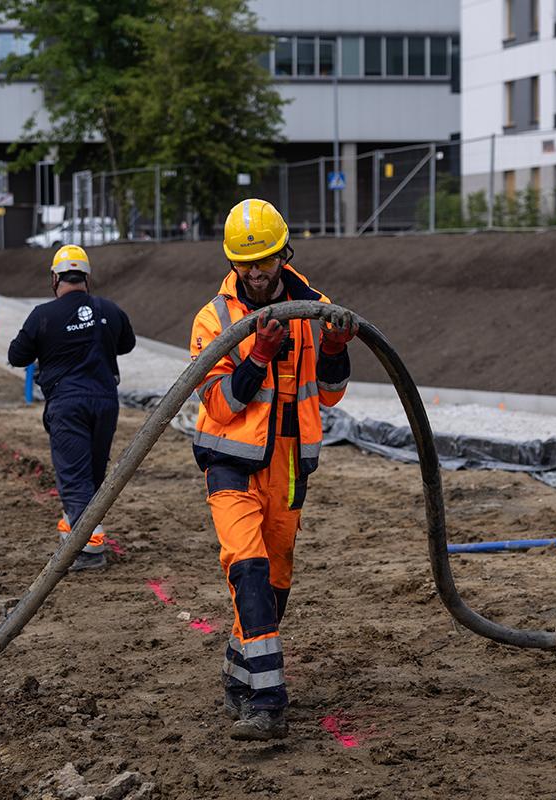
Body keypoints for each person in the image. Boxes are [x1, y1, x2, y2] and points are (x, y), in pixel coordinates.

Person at [190, 198, 356, 742]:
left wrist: (334, 347)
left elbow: (329, 396)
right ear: (232, 262)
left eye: (263, 259)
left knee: (277, 580)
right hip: (230, 463)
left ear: (284, 253)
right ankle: (268, 701)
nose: (255, 272)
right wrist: (257, 354)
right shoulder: (214, 320)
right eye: (245, 262)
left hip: (288, 464)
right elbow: (219, 405)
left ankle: (240, 677)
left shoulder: (315, 307)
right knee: (249, 569)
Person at [8, 245, 135, 571]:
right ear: (87, 278)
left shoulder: (43, 316)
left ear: (55, 278)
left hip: (68, 404)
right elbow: (128, 343)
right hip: (105, 402)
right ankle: (78, 535)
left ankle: (89, 549)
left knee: (75, 480)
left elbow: (16, 355)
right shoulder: (109, 309)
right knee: (92, 477)